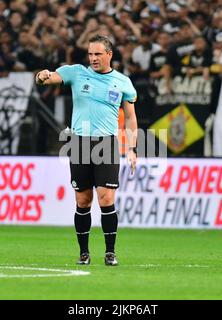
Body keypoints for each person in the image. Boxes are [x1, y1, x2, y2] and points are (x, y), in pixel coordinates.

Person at [35, 35, 138, 266]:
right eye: (90, 54)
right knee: (83, 201)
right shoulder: (76, 72)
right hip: (80, 144)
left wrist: (132, 148)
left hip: (107, 144)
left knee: (106, 198)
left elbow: (130, 117)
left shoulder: (122, 82)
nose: (93, 58)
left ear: (109, 54)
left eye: (98, 54)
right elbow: (49, 78)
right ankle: (84, 253)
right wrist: (42, 76)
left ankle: (110, 252)